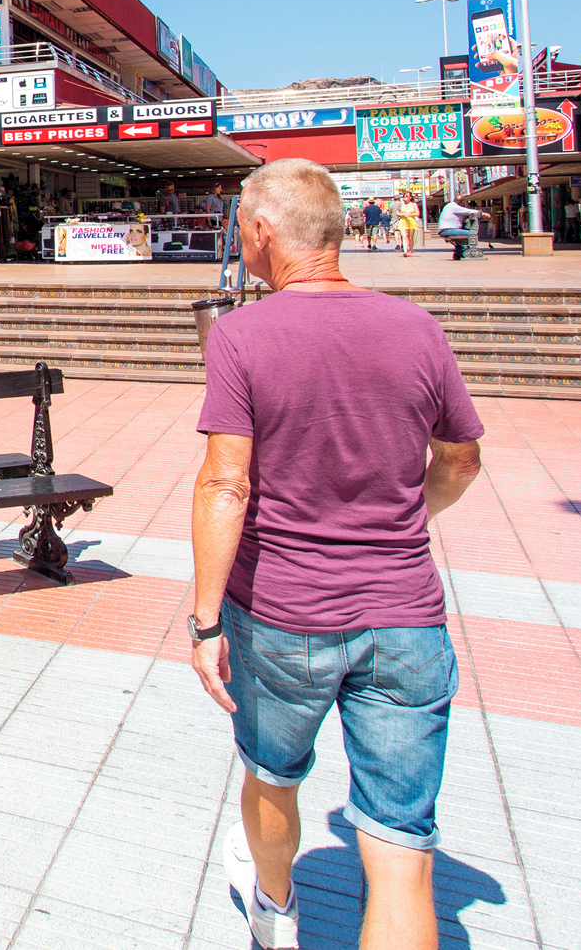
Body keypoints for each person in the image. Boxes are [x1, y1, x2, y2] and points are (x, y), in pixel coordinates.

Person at [189, 158, 483, 950]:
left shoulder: (242, 333)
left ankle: (275, 905)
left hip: (284, 612)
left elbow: (226, 483)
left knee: (273, 774)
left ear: (262, 231)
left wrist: (205, 620)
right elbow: (460, 459)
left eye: (242, 225)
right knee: (399, 850)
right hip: (406, 617)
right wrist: (406, 518)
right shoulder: (417, 328)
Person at [394, 191, 421, 259]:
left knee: (410, 237)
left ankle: (411, 251)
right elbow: (397, 213)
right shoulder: (401, 204)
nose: (405, 198)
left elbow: (417, 213)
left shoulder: (414, 204)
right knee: (404, 236)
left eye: (407, 196)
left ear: (410, 197)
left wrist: (410, 215)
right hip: (403, 221)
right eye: (404, 196)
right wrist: (403, 214)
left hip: (411, 221)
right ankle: (405, 251)